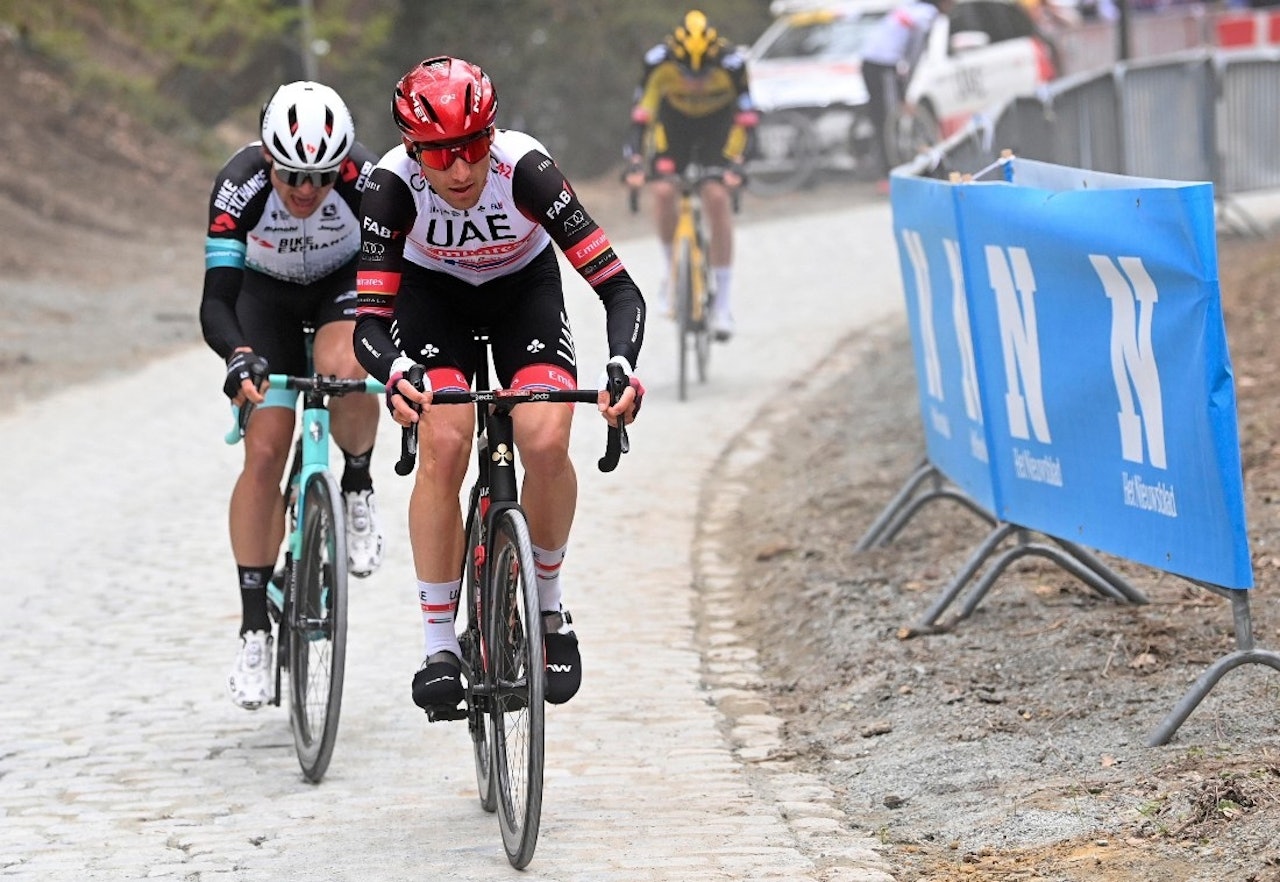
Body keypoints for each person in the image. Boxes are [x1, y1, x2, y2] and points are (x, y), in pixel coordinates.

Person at [353, 56, 646, 711]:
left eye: (473, 147)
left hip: (523, 292)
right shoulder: (389, 188)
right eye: (438, 154)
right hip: (434, 300)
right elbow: (368, 324)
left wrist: (621, 364)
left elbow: (618, 289)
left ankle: (549, 610)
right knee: (446, 439)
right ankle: (439, 643)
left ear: (493, 134)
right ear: (411, 148)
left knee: (544, 442)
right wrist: (397, 375)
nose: (459, 170)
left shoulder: (527, 172)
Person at [200, 81, 384, 710]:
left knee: (347, 366)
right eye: (293, 177)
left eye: (322, 178)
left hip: (341, 286)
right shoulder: (239, 185)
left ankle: (355, 484)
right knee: (266, 449)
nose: (307, 192)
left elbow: (401, 272)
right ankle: (255, 625)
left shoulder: (366, 179)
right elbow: (216, 300)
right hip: (264, 298)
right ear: (268, 159)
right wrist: (237, 355)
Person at [624, 9, 757, 342]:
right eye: (686, 73)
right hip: (675, 127)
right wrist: (636, 161)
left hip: (717, 128)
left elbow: (748, 117)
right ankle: (672, 272)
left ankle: (723, 303)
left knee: (715, 195)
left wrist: (739, 163)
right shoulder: (657, 62)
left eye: (703, 74)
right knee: (665, 192)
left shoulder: (732, 64)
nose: (694, 81)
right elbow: (642, 117)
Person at [859, 0, 954, 192]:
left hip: (870, 61)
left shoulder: (911, 7)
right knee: (887, 120)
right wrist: (905, 95)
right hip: (883, 64)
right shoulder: (927, 15)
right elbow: (913, 54)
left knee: (881, 117)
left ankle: (888, 172)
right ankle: (889, 174)